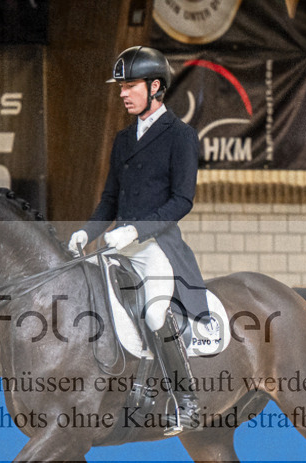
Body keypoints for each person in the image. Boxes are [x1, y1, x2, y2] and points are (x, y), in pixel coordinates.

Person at [67, 45, 208, 435]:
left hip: (156, 246)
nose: (123, 93)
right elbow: (110, 200)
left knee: (155, 314)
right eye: (121, 87)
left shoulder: (181, 136)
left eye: (130, 86)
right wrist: (87, 231)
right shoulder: (122, 140)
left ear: (156, 87)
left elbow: (182, 200)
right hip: (117, 246)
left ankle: (187, 401)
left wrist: (137, 230)